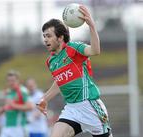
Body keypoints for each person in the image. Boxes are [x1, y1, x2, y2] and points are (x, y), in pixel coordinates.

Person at [37, 4, 113, 137]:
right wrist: (45, 98)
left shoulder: (74, 49)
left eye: (49, 36)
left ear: (60, 38)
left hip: (91, 106)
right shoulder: (51, 61)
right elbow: (60, 82)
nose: (45, 40)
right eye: (44, 36)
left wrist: (92, 26)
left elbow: (95, 50)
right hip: (72, 109)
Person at [0, 70, 34, 137]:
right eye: (9, 81)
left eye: (13, 80)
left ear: (18, 80)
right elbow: (8, 106)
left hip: (18, 127)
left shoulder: (23, 91)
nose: (11, 83)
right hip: (6, 126)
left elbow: (30, 107)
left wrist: (13, 105)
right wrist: (3, 109)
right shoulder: (8, 92)